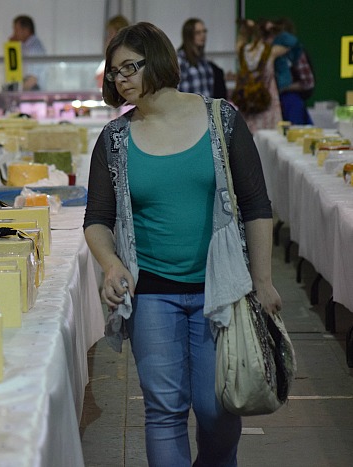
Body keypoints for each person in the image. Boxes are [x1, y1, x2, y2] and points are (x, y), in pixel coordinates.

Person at [84, 22, 281, 466]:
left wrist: (263, 281)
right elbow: (97, 218)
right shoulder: (114, 140)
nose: (122, 79)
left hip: (223, 288)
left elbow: (256, 205)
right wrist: (112, 263)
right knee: (164, 411)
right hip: (151, 291)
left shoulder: (221, 120)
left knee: (218, 408)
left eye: (130, 67)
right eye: (115, 72)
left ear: (157, 61)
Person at [235, 18, 288, 133]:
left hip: (247, 105)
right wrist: (275, 27)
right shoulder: (271, 52)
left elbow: (241, 36)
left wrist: (247, 28)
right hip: (267, 106)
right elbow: (291, 42)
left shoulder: (241, 50)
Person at [269, 18, 313, 124]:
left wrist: (283, 88)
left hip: (290, 101)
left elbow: (308, 83)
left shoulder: (296, 53)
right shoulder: (269, 55)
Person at [177, 18, 227, 98]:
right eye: (198, 32)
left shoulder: (204, 63)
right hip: (187, 108)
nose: (203, 35)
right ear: (189, 35)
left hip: (205, 109)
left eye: (204, 31)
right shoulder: (180, 61)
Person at [9, 15, 46, 90]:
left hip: (33, 92)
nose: (14, 33)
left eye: (16, 30)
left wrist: (18, 93)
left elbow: (33, 79)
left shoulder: (34, 49)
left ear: (26, 30)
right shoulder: (25, 46)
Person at [95, 14, 131, 89]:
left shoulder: (128, 58)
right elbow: (98, 78)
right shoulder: (108, 60)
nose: (108, 39)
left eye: (111, 33)